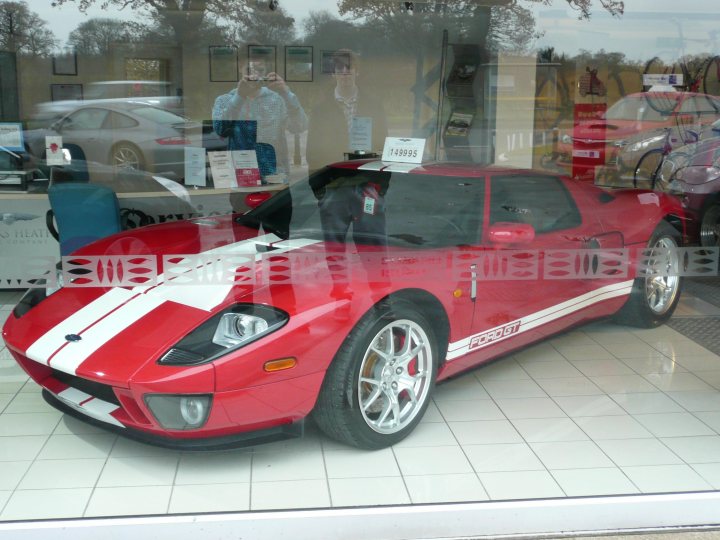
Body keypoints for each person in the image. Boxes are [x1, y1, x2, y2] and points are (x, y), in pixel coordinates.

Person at [212, 59, 308, 182]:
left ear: (266, 70)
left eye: (260, 70)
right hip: (242, 178)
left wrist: (286, 93)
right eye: (249, 70)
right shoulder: (225, 100)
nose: (255, 75)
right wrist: (239, 97)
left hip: (275, 177)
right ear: (240, 67)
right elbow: (220, 130)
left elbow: (300, 126)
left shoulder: (278, 99)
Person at [306, 50, 388, 173]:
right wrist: (319, 188)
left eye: (349, 67)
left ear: (357, 71)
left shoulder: (374, 106)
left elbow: (382, 144)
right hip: (332, 177)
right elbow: (313, 153)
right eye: (339, 67)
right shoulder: (320, 110)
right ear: (333, 73)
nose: (344, 71)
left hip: (366, 175)